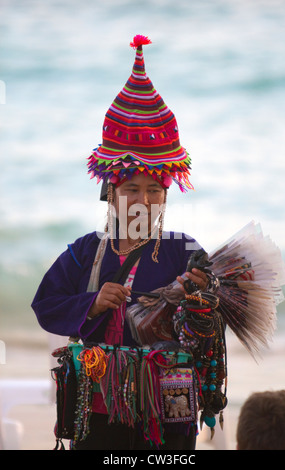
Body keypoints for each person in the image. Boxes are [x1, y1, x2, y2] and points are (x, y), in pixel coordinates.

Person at [32, 35, 208, 450]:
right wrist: (90, 303)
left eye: (154, 190)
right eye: (131, 188)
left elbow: (211, 325)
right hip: (99, 408)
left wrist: (201, 301)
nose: (143, 199)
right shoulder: (84, 252)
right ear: (111, 193)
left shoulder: (187, 252)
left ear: (166, 195)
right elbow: (45, 306)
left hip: (171, 407)